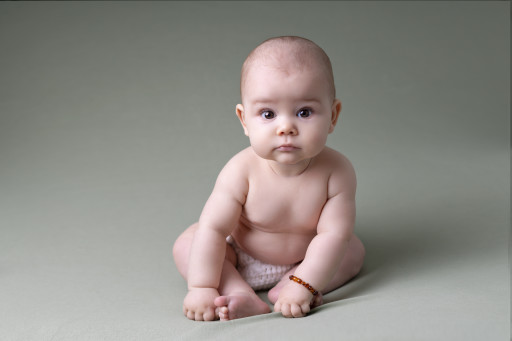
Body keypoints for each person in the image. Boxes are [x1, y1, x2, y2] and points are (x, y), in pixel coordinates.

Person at [173, 36, 365, 321]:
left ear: (333, 115)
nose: (286, 127)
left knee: (351, 250)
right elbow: (213, 228)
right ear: (244, 120)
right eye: (267, 113)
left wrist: (305, 282)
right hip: (241, 256)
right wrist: (201, 286)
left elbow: (332, 235)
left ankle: (293, 285)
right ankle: (239, 293)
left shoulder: (337, 171)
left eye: (304, 112)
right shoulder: (240, 170)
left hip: (307, 259)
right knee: (187, 243)